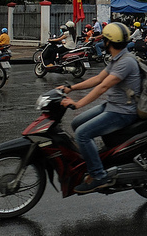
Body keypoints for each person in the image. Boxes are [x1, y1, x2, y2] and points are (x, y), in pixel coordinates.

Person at [59, 22, 140, 194]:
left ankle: (99, 176)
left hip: (123, 111)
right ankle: (95, 158)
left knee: (82, 134)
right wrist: (71, 88)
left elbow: (102, 87)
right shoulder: (118, 58)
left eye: (104, 39)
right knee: (76, 123)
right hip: (112, 105)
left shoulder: (126, 62)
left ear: (109, 42)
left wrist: (77, 104)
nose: (102, 41)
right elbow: (97, 79)